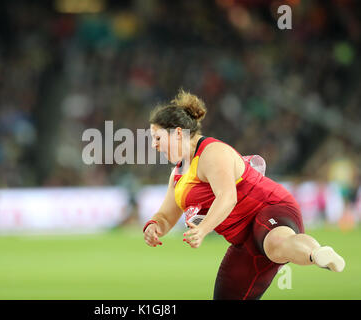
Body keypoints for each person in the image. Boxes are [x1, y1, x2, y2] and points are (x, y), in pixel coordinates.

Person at [143, 89, 346, 300]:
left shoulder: (212, 153)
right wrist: (153, 226)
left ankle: (318, 254)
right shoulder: (178, 174)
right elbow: (166, 216)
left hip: (270, 207)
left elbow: (227, 197)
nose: (153, 145)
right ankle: (316, 254)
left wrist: (203, 229)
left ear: (177, 133)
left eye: (157, 137)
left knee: (275, 243)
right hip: (245, 242)